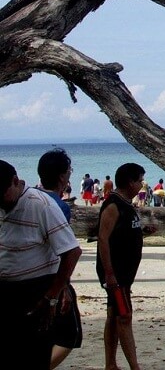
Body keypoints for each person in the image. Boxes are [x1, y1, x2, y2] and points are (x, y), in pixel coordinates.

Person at [0, 159, 82, 370]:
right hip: (6, 289)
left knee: (33, 354)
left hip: (35, 290)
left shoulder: (40, 205)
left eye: (2, 192)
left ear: (15, 181)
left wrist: (54, 293)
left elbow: (71, 251)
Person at [96, 163, 146, 370]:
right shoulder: (113, 205)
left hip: (125, 273)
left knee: (113, 316)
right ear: (130, 182)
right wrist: (109, 274)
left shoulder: (127, 204)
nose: (142, 184)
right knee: (124, 316)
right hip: (117, 275)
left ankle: (110, 364)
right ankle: (135, 367)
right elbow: (103, 239)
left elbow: (123, 232)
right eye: (140, 180)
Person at [37, 149, 84, 368]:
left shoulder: (31, 198)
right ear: (62, 177)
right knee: (69, 335)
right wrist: (63, 286)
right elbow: (64, 249)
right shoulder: (58, 206)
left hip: (26, 275)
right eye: (69, 171)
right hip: (49, 277)